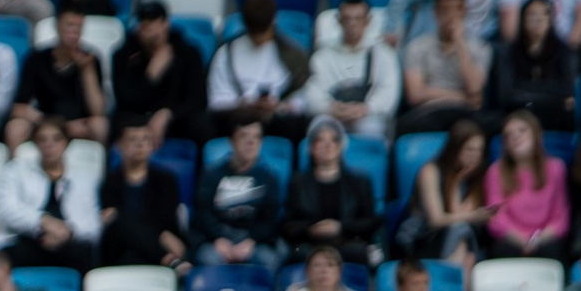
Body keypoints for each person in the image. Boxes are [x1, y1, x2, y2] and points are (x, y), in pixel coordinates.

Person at [0, 116, 100, 271]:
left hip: (67, 242)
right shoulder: (15, 169)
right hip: (26, 238)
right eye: (43, 140)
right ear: (35, 143)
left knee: (84, 251)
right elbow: (5, 210)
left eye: (56, 139)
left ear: (66, 143)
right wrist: (42, 222)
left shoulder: (84, 178)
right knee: (10, 253)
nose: (49, 145)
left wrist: (67, 232)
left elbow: (92, 225)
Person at [206, 0, 311, 141]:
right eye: (255, 33)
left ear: (273, 22)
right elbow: (216, 101)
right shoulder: (226, 53)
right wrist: (245, 105)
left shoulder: (293, 55)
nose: (259, 38)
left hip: (277, 121)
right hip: (236, 120)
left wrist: (280, 106)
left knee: (295, 125)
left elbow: (301, 100)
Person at [282, 117, 381, 267]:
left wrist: (340, 227)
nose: (328, 145)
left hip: (347, 242)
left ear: (341, 146)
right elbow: (289, 225)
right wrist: (311, 230)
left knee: (360, 253)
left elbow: (370, 221)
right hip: (309, 244)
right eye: (321, 140)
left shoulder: (359, 181)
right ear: (311, 148)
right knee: (296, 253)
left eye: (334, 140)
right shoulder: (298, 182)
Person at [112, 0, 211, 145]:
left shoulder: (188, 52)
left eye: (155, 23)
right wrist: (151, 74)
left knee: (202, 123)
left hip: (178, 118)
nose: (150, 30)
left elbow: (197, 98)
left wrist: (168, 113)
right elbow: (125, 100)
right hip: (138, 117)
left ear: (165, 23)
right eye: (144, 25)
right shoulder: (123, 55)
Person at [301, 0, 399, 141]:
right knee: (320, 130)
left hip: (369, 118)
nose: (352, 24)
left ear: (368, 20)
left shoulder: (384, 54)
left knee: (370, 128)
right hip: (331, 116)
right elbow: (311, 95)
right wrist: (332, 108)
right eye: (347, 18)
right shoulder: (322, 56)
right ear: (338, 20)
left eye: (358, 18)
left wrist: (366, 109)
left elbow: (389, 94)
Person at [8, 9, 110, 149]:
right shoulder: (36, 59)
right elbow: (19, 107)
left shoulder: (91, 59)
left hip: (77, 123)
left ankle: (101, 169)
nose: (74, 31)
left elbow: (98, 110)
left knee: (100, 126)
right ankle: (14, 169)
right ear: (57, 27)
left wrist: (87, 70)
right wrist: (49, 123)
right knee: (15, 127)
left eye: (78, 27)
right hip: (44, 121)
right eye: (69, 25)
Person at [99, 120, 190, 270]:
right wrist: (161, 236)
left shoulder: (166, 179)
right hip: (123, 247)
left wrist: (122, 216)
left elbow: (166, 217)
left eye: (145, 139)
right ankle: (167, 259)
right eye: (133, 139)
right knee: (121, 221)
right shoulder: (110, 181)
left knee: (122, 218)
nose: (140, 145)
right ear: (120, 145)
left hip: (152, 244)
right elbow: (112, 223)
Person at [399, 0, 491, 135]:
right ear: (436, 13)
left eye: (457, 9)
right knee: (403, 125)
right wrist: (461, 97)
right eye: (445, 9)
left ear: (465, 12)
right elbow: (415, 95)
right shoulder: (417, 47)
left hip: (465, 114)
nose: (451, 16)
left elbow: (475, 89)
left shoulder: (480, 48)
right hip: (429, 112)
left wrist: (460, 42)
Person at [401, 119, 491, 266]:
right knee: (461, 230)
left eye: (479, 150)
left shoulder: (474, 176)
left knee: (464, 236)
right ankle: (457, 281)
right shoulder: (430, 171)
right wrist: (455, 181)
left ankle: (457, 279)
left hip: (454, 237)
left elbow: (458, 215)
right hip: (423, 237)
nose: (475, 156)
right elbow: (436, 219)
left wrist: (459, 179)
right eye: (469, 149)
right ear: (455, 148)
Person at [486, 110, 572, 260]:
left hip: (545, 239)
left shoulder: (556, 168)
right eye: (509, 135)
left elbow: (560, 218)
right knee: (503, 250)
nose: (515, 137)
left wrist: (536, 241)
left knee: (553, 252)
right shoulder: (495, 171)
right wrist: (523, 241)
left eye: (522, 131)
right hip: (511, 240)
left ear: (536, 135)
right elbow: (496, 219)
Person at [491, 0, 581, 132]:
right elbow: (506, 94)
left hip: (553, 116)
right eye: (532, 14)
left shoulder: (564, 51)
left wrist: (527, 93)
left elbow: (567, 91)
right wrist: (549, 94)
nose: (538, 20)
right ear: (522, 19)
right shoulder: (508, 52)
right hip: (516, 113)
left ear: (551, 19)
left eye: (544, 14)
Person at [199, 120, 284, 266]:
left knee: (269, 259)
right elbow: (203, 212)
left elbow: (270, 218)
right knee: (208, 259)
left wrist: (252, 241)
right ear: (231, 141)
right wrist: (218, 239)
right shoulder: (212, 175)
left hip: (254, 242)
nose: (251, 142)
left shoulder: (269, 177)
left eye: (256, 137)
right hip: (218, 240)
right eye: (244, 136)